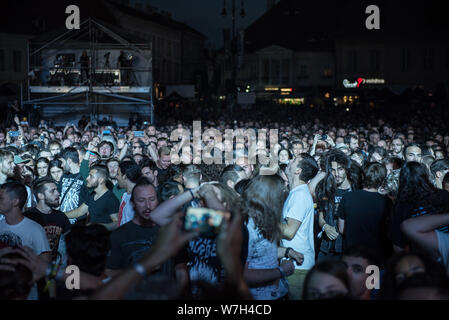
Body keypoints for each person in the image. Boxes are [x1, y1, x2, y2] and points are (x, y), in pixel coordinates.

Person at [105, 178, 188, 287]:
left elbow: (180, 269)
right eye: (141, 200)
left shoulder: (170, 230)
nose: (147, 206)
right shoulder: (120, 235)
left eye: (152, 199)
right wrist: (140, 270)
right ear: (133, 203)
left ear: (157, 200)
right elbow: (109, 272)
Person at [337, 162, 392, 265]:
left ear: (363, 176)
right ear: (382, 179)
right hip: (375, 258)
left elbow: (341, 229)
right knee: (372, 281)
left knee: (351, 280)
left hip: (351, 256)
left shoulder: (348, 197)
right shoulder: (386, 202)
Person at [280, 154, 318, 299]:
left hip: (298, 267)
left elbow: (289, 231)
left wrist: (265, 220)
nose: (289, 161)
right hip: (295, 265)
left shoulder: (299, 196)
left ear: (298, 171)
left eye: (294, 160)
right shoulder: (296, 193)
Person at [392, 162, 449, 253]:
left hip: (425, 255)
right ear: (426, 176)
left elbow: (398, 243)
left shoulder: (402, 206)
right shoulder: (444, 195)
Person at [25, 177, 71, 261]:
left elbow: (69, 245)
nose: (58, 193)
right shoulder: (28, 217)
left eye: (57, 190)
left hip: (55, 267)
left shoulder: (61, 217)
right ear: (40, 196)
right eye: (52, 191)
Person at [65, 165, 119, 231]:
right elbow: (79, 212)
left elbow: (117, 223)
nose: (87, 178)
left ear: (101, 180)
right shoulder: (93, 196)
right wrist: (61, 215)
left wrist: (99, 227)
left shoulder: (110, 199)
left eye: (91, 176)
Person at [58, 147, 90, 225]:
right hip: (63, 222)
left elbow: (88, 204)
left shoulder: (86, 177)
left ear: (69, 161)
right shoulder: (64, 176)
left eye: (62, 162)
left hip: (79, 224)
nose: (61, 165)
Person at [116, 161, 142, 226]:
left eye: (118, 174)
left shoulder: (138, 199)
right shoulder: (125, 195)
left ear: (124, 176)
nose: (116, 177)